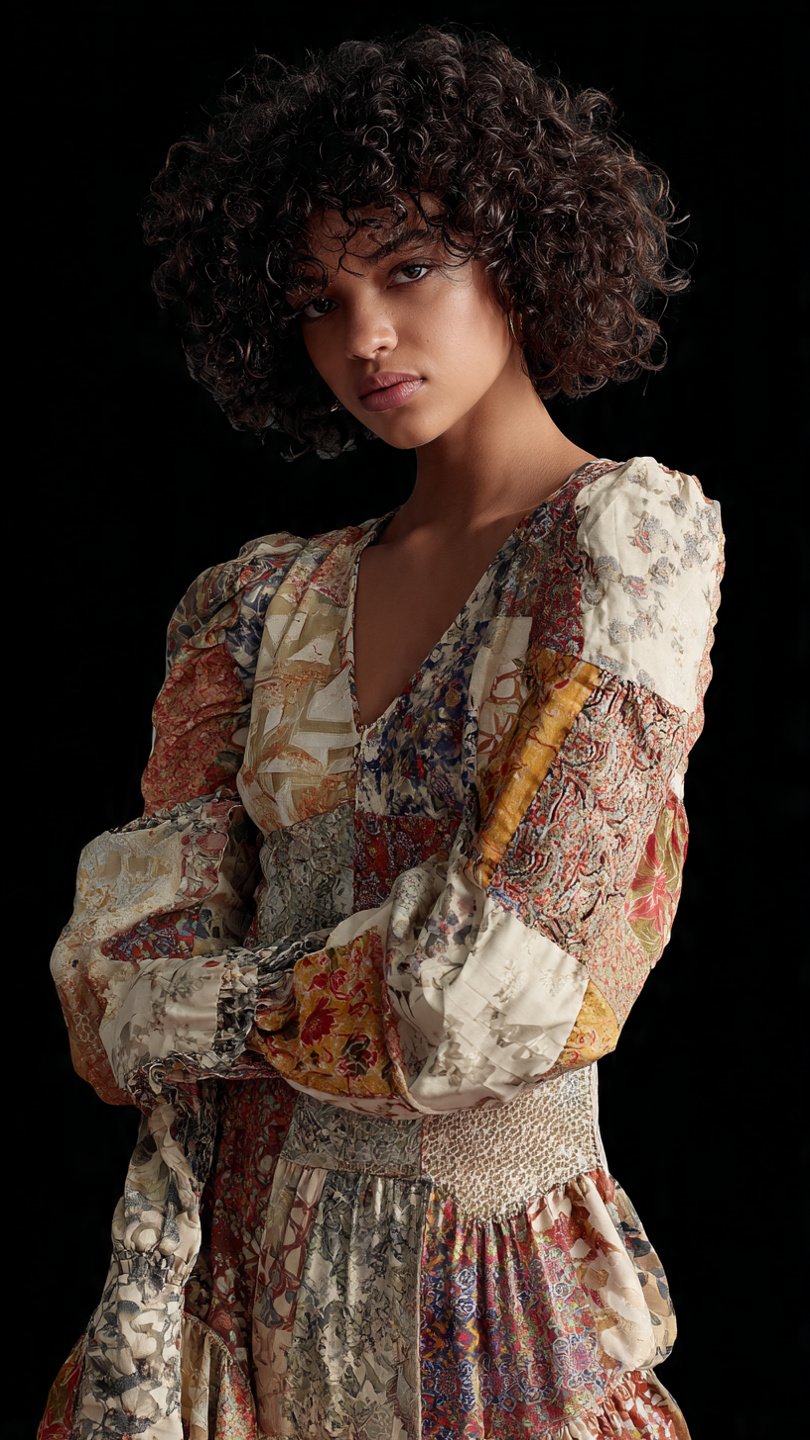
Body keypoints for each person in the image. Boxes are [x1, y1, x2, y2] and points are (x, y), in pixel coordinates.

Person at [38, 23, 725, 1440]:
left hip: (487, 1306)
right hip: (228, 1301)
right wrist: (253, 1001)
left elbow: (487, 997)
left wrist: (210, 1006)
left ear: (519, 252)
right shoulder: (251, 604)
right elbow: (111, 1006)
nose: (362, 336)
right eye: (317, 300)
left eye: (408, 268)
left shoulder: (621, 545)